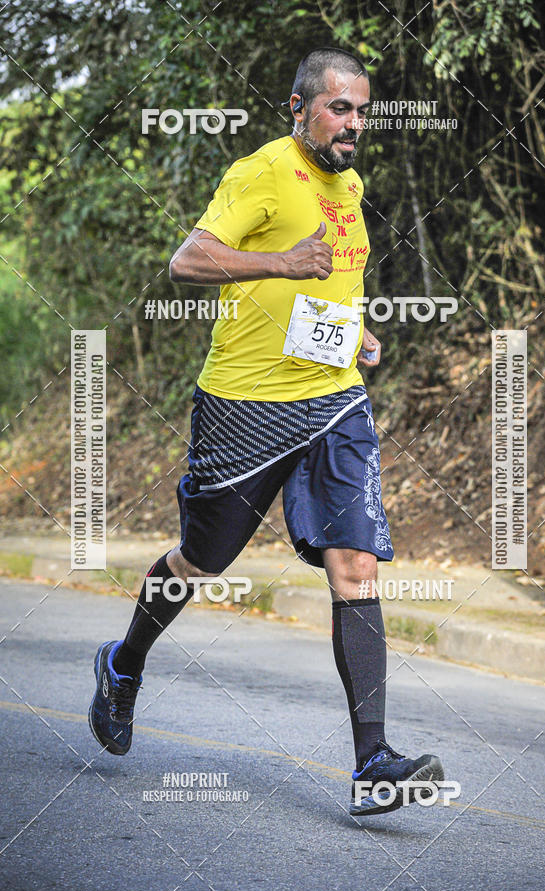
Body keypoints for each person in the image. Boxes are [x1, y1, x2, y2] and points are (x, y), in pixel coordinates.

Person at [89, 47, 444, 816]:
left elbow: (339, 278)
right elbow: (188, 261)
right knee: (200, 561)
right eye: (338, 108)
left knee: (356, 563)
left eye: (361, 109)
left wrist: (357, 331)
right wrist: (280, 263)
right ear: (299, 107)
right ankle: (124, 663)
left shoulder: (349, 183)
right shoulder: (260, 172)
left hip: (335, 399)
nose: (353, 123)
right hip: (245, 406)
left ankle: (373, 764)